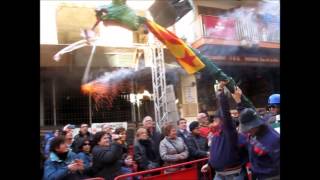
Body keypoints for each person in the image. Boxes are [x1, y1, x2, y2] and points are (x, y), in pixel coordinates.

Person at [201, 81, 246, 180]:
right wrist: (209, 164)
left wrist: (220, 91)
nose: (213, 121)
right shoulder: (215, 134)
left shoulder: (229, 132)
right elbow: (215, 151)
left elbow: (225, 111)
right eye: (213, 119)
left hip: (234, 175)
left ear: (222, 121)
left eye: (216, 119)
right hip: (218, 174)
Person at [233, 87, 280, 180]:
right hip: (258, 173)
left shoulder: (273, 137)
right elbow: (249, 113)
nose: (271, 109)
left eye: (274, 106)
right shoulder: (266, 119)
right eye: (269, 106)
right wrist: (239, 99)